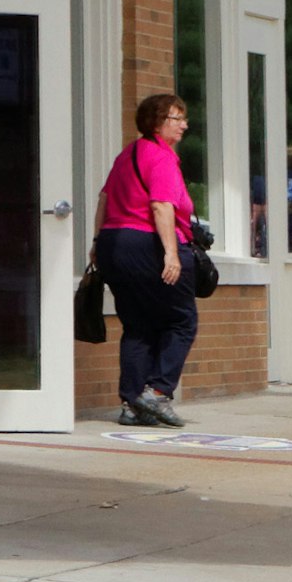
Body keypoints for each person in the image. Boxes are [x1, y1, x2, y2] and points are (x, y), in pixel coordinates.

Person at [94, 90, 200, 428]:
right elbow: (160, 206)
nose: (184, 125)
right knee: (181, 321)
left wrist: (97, 242)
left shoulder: (128, 154)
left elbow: (104, 198)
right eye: (177, 118)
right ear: (158, 122)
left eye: (184, 118)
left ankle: (132, 403)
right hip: (146, 245)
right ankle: (157, 392)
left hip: (114, 244)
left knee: (138, 326)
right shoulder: (161, 156)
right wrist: (171, 253)